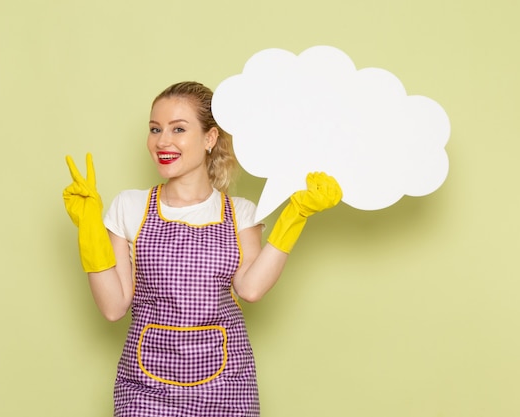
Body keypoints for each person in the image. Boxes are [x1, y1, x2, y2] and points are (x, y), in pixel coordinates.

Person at [63, 81, 342, 417]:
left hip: (226, 387)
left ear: (209, 139)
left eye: (178, 129)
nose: (162, 141)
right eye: (155, 129)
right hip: (145, 388)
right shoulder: (130, 206)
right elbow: (112, 307)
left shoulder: (240, 213)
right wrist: (90, 228)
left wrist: (296, 215)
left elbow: (251, 289)